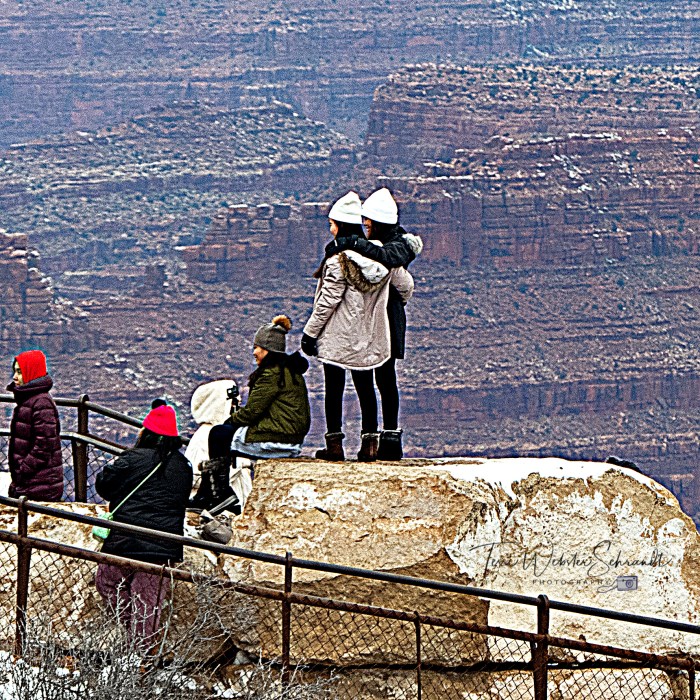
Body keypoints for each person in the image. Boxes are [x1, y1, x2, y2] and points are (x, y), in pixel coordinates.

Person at [302, 191, 414, 462]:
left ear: (340, 225)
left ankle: (335, 445)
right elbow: (406, 287)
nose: (330, 229)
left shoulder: (337, 260)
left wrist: (309, 333)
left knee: (334, 389)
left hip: (338, 337)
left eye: (332, 224)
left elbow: (327, 302)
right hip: (369, 336)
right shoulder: (383, 260)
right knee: (366, 388)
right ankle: (370, 444)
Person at [94, 402, 192, 647]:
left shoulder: (132, 458)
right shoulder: (183, 466)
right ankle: (141, 655)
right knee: (149, 601)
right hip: (164, 545)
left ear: (146, 433)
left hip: (125, 540)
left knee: (107, 582)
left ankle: (133, 639)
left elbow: (104, 486)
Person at [198, 315, 311, 512]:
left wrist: (230, 420)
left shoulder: (271, 374)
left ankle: (218, 494)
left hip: (276, 438)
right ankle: (210, 493)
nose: (254, 352)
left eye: (257, 347)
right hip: (289, 436)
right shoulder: (289, 371)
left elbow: (252, 412)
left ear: (267, 349)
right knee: (225, 432)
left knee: (218, 434)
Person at [7, 350, 63, 501]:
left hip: (40, 484)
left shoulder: (41, 403)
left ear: (31, 372)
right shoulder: (31, 400)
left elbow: (44, 444)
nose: (14, 377)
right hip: (33, 482)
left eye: (19, 371)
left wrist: (24, 469)